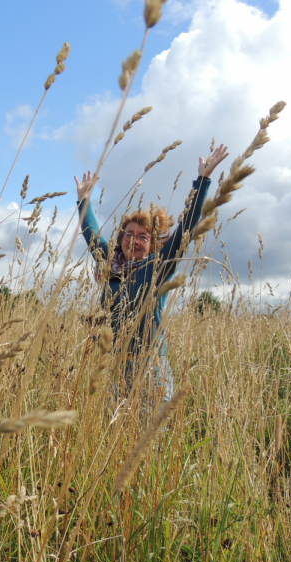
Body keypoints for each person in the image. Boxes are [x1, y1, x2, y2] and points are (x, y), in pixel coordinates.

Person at [74, 144, 228, 417]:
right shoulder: (111, 265)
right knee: (114, 437)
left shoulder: (157, 268)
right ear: (120, 238)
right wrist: (84, 200)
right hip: (115, 365)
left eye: (142, 236)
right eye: (128, 234)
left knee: (148, 443)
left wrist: (202, 181)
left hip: (151, 368)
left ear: (153, 242)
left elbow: (184, 232)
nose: (133, 240)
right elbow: (92, 234)